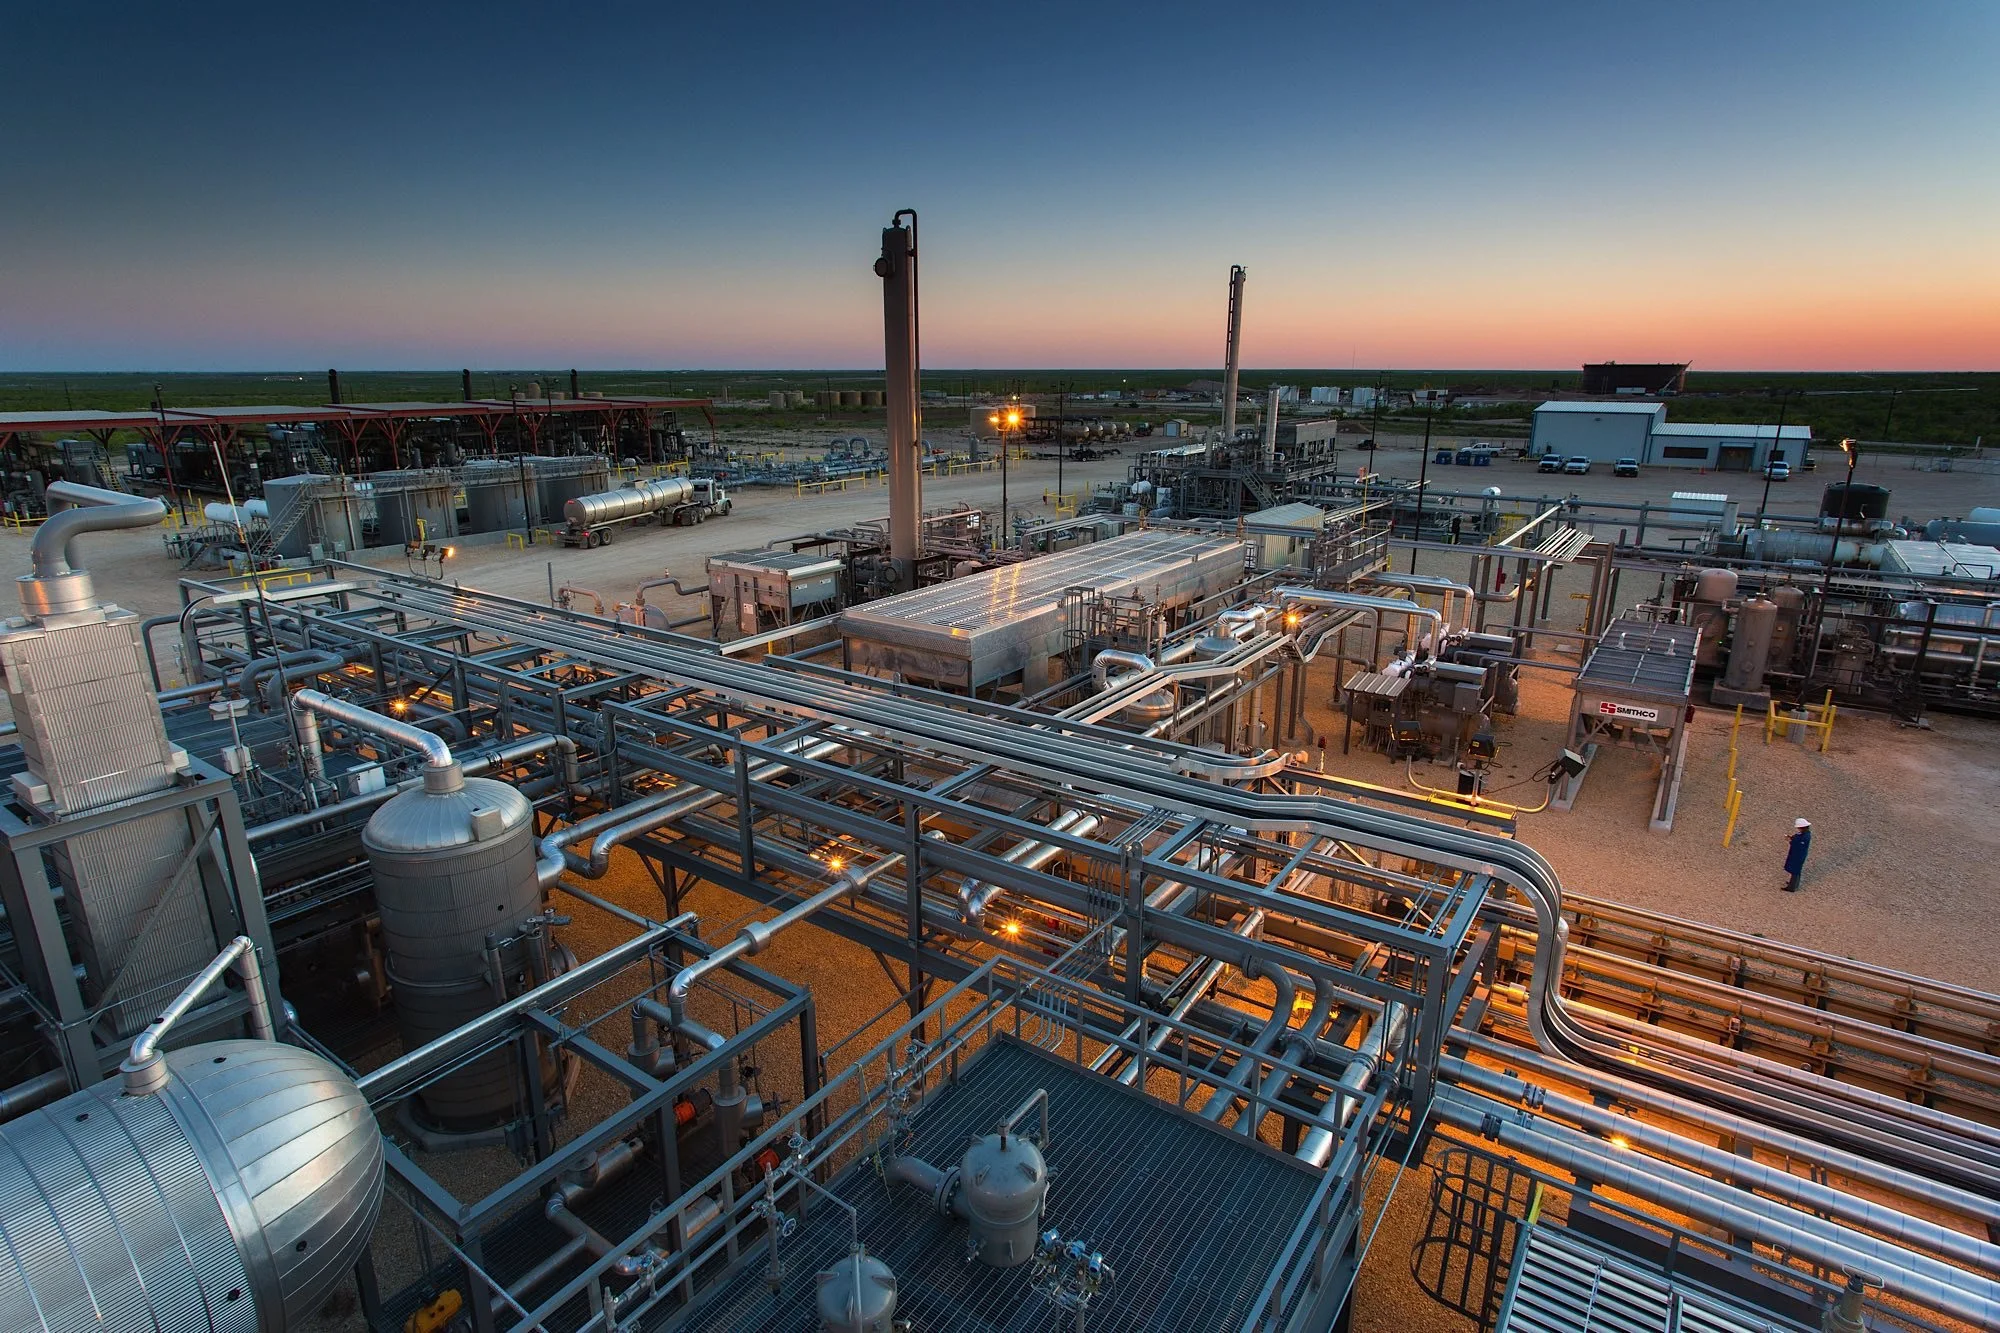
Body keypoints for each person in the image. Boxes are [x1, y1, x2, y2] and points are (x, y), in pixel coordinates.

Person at [1783, 818, 1812, 892]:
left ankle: (1792, 887)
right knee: (1797, 870)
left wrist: (1791, 841)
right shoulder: (1805, 834)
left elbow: (1799, 845)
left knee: (1795, 870)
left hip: (1798, 855)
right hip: (1798, 854)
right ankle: (1794, 884)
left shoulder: (1805, 836)